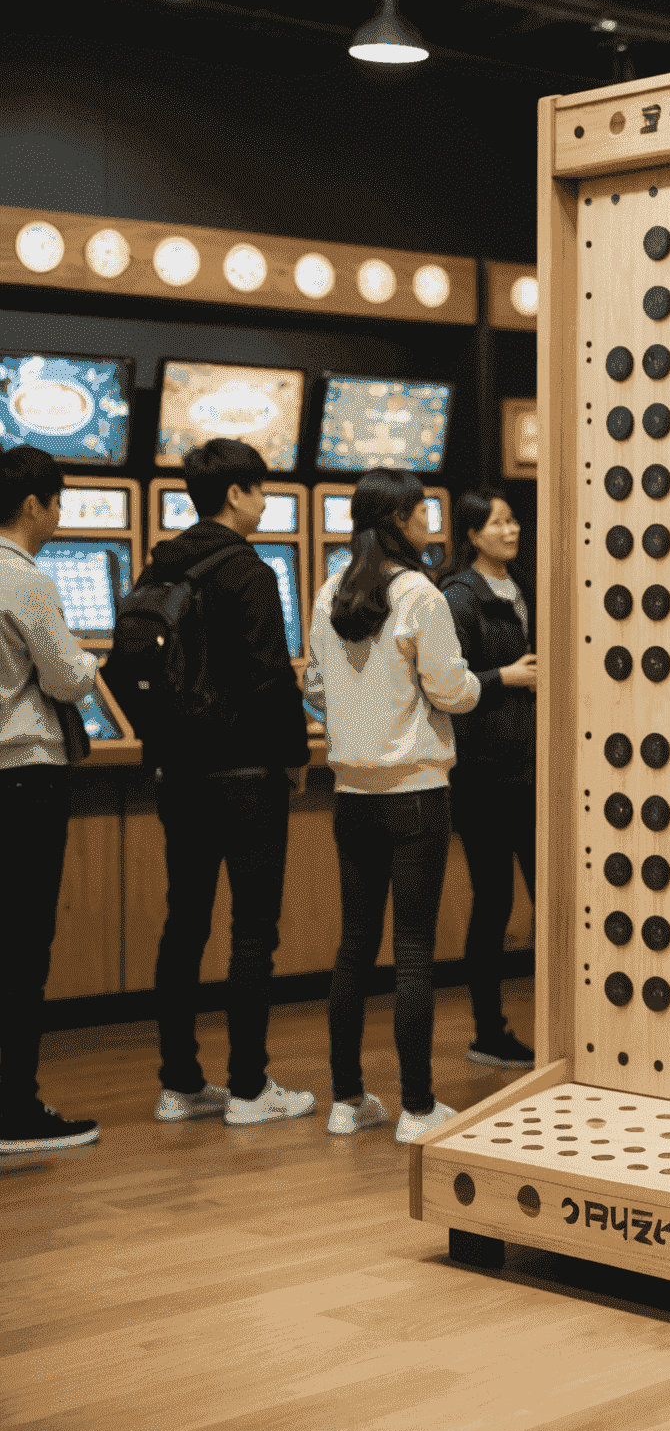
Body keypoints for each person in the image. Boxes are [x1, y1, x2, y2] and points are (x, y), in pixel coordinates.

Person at [305, 468, 482, 1143]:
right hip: (415, 793)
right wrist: (466, 686)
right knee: (412, 953)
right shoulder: (419, 594)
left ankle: (347, 1101)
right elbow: (452, 690)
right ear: (400, 519)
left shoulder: (328, 591)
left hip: (351, 796)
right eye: (422, 511)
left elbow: (317, 686)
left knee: (354, 949)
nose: (430, 521)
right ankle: (416, 1107)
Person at [147, 438, 313, 1127]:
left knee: (183, 925)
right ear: (239, 494)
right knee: (252, 931)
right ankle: (249, 1088)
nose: (265, 502)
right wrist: (296, 754)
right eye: (261, 490)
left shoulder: (162, 564)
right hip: (246, 772)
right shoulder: (249, 570)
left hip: (178, 772)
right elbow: (270, 675)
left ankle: (180, 1084)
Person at [0, 447, 101, 1154]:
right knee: (23, 946)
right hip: (27, 774)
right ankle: (15, 1111)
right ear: (33, 504)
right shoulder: (25, 579)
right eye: (58, 501)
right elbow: (66, 679)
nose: (60, 515)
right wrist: (94, 661)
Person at [438, 489, 539, 1072]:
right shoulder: (459, 597)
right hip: (483, 773)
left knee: (545, 897)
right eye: (498, 523)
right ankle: (488, 1029)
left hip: (529, 768)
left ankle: (555, 1025)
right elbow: (451, 683)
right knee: (494, 900)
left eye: (513, 520)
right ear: (473, 534)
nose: (511, 530)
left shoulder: (521, 587)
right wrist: (505, 677)